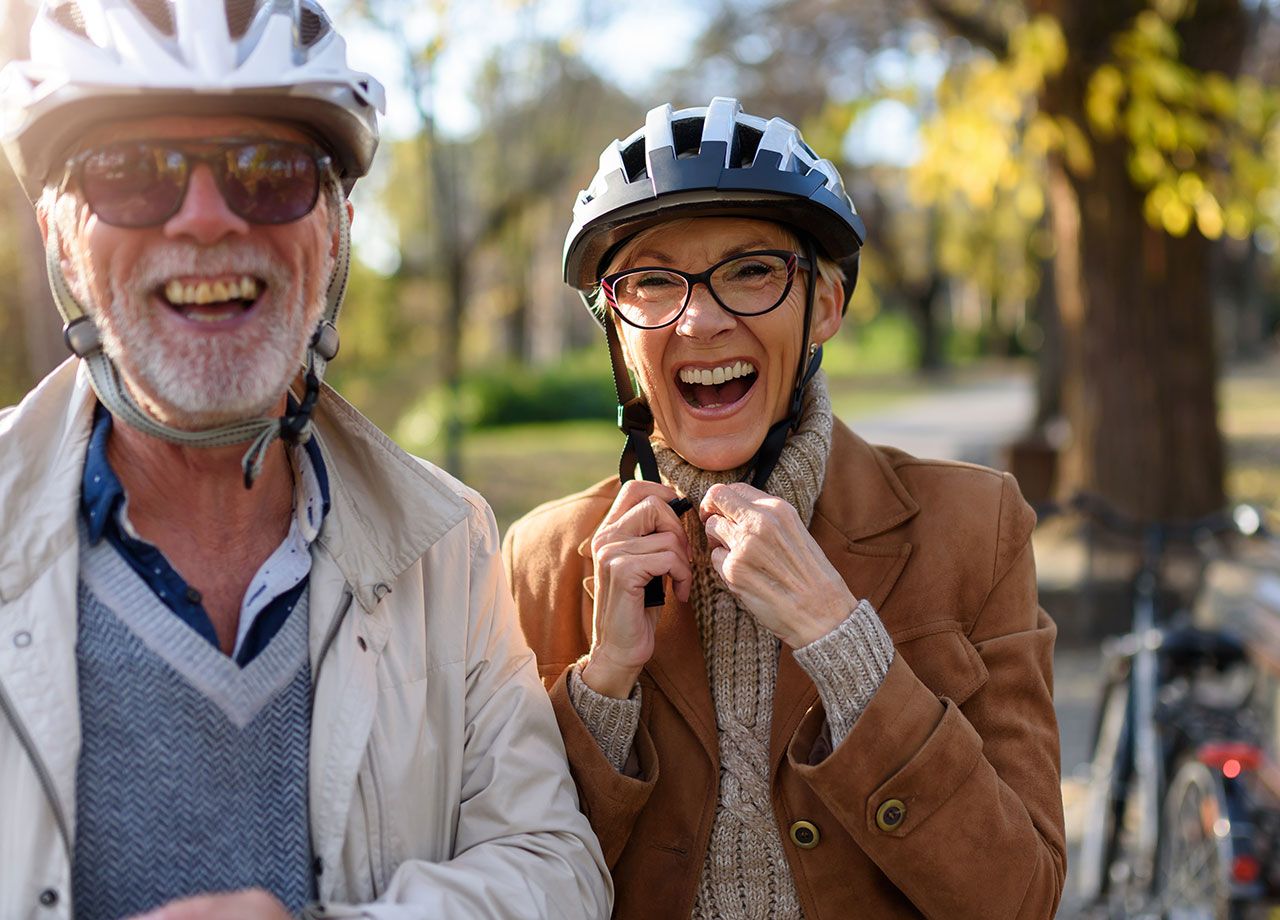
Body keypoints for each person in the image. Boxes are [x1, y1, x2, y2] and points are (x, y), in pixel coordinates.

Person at [0, 2, 610, 918]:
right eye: (130, 173)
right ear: (58, 240)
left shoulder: (447, 545)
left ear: (334, 232)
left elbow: (557, 869)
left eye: (269, 171)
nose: (205, 220)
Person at [503, 97, 1065, 919]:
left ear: (825, 307)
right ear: (616, 331)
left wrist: (844, 644)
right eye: (653, 283)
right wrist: (605, 686)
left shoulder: (976, 528)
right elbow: (514, 886)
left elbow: (1021, 897)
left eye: (752, 271)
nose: (701, 318)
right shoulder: (544, 560)